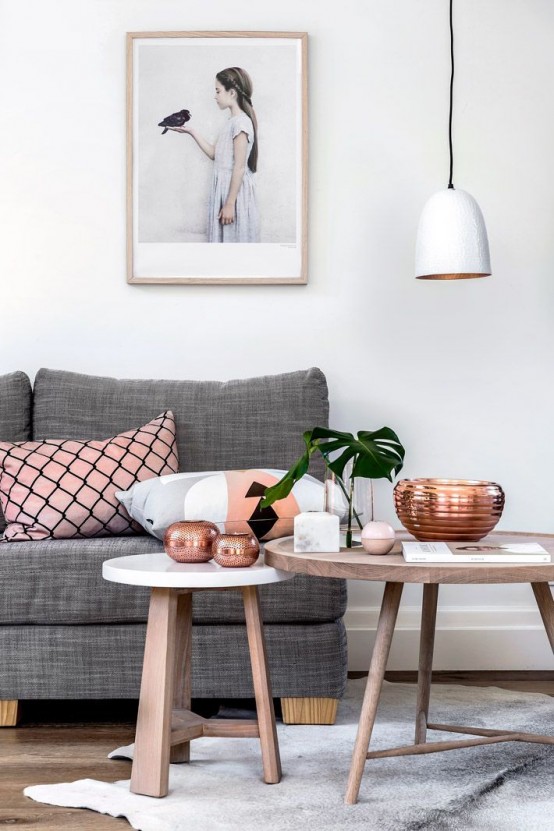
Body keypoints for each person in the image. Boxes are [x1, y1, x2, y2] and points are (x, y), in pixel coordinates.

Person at [169, 67, 260, 243]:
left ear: (232, 93)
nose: (215, 96)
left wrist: (229, 203)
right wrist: (191, 131)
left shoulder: (241, 123)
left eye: (218, 91)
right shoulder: (231, 122)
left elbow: (239, 167)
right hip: (226, 190)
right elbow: (215, 155)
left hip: (234, 195)